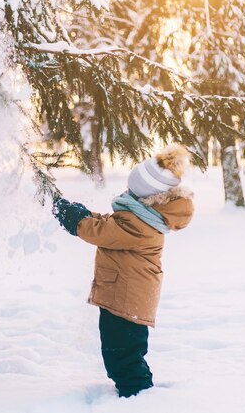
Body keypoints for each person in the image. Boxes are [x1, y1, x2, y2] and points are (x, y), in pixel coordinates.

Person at [52, 144, 194, 397]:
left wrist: (74, 219)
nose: (126, 191)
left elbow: (101, 231)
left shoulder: (139, 224)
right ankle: (137, 390)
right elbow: (110, 223)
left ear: (146, 196)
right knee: (124, 353)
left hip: (126, 301)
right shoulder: (143, 216)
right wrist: (85, 213)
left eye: (131, 189)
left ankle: (138, 397)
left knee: (122, 357)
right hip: (126, 297)